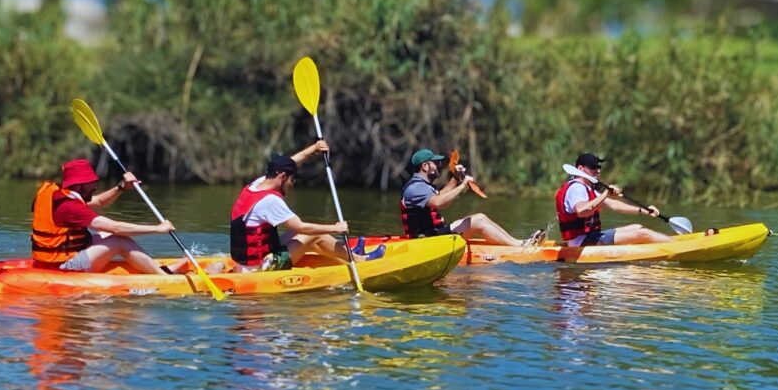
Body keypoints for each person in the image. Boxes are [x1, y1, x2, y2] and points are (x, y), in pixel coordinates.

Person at [228, 140, 384, 272]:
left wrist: (314, 149)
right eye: (292, 179)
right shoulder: (270, 201)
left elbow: (290, 163)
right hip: (261, 268)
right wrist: (336, 228)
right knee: (313, 234)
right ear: (282, 176)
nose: (292, 184)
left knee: (302, 233)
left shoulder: (257, 184)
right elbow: (301, 227)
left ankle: (349, 254)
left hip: (250, 262)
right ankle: (361, 260)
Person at [31, 159, 180, 274]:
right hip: (63, 267)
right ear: (79, 185)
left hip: (51, 260)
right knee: (119, 240)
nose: (95, 186)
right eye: (91, 183)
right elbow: (116, 227)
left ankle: (156, 268)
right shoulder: (69, 207)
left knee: (106, 234)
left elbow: (99, 201)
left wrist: (121, 187)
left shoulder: (58, 195)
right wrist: (157, 228)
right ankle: (164, 277)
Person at [400, 148, 544, 246]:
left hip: (434, 235)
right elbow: (439, 203)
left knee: (480, 218)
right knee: (478, 220)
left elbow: (440, 196)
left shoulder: (421, 186)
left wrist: (456, 178)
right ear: (425, 166)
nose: (438, 166)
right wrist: (462, 186)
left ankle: (519, 243)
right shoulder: (416, 188)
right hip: (426, 242)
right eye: (435, 163)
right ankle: (520, 246)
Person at [556, 152, 673, 247]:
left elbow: (613, 205)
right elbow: (582, 211)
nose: (598, 170)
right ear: (580, 168)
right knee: (643, 233)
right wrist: (606, 194)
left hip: (589, 237)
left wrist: (645, 210)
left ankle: (665, 243)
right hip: (581, 242)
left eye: (599, 167)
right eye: (593, 167)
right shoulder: (577, 188)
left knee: (637, 227)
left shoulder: (586, 188)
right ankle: (675, 246)